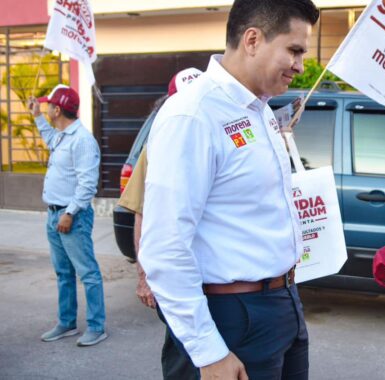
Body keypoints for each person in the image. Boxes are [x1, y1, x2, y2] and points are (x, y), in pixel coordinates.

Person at [139, 1, 319, 379]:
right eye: (295, 50)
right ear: (252, 39)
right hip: (230, 317)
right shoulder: (193, 114)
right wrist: (208, 351)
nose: (300, 66)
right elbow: (165, 247)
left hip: (282, 304)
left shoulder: (261, 111)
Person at [116, 67, 202, 379]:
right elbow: (142, 215)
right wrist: (144, 277)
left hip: (219, 280)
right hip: (177, 280)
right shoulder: (155, 148)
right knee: (184, 358)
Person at [28, 85, 106, 347]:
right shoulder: (62, 135)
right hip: (55, 214)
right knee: (63, 273)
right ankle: (67, 323)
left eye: (48, 105)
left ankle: (97, 326)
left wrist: (70, 213)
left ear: (57, 109)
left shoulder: (82, 140)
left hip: (71, 217)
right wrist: (37, 115)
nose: (47, 108)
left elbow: (87, 184)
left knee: (88, 273)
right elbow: (49, 138)